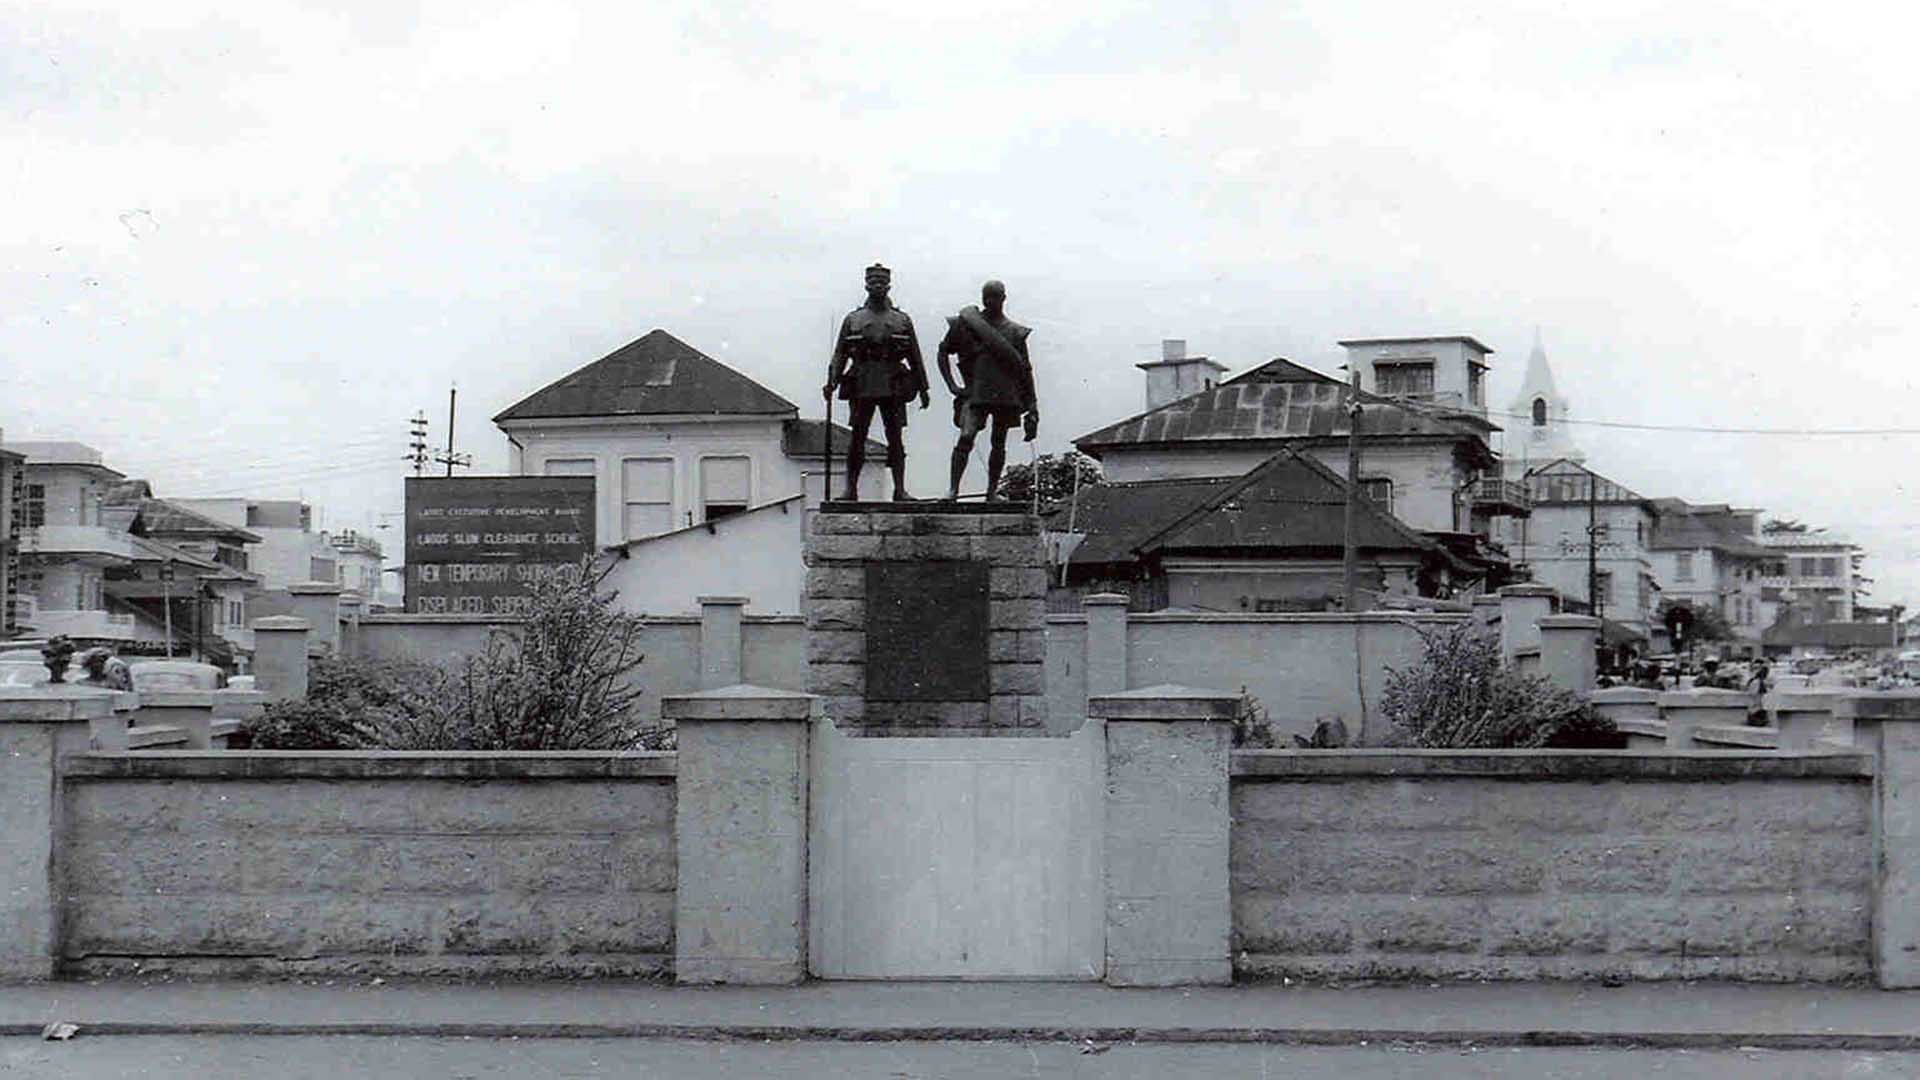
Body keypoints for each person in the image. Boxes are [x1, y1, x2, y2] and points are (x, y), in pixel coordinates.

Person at [824, 263, 929, 501]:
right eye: (873, 282)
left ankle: (900, 489)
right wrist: (832, 381)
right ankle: (850, 489)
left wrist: (923, 388)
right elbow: (840, 353)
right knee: (858, 436)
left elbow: (915, 355)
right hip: (862, 380)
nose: (878, 286)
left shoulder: (901, 319)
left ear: (889, 285)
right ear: (866, 285)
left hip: (893, 381)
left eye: (882, 282)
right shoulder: (853, 319)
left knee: (895, 437)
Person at [937, 279, 1039, 500]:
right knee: (966, 437)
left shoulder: (1015, 332)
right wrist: (952, 385)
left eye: (995, 296)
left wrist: (1033, 405)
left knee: (998, 443)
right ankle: (953, 489)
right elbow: (943, 352)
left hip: (1005, 393)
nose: (990, 301)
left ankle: (992, 491)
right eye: (987, 296)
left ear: (1003, 298)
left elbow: (1025, 369)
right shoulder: (966, 325)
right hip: (976, 392)